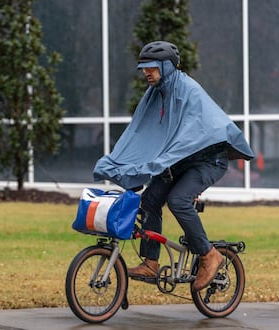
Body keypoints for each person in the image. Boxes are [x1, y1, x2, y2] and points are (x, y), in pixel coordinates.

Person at [93, 41, 254, 291]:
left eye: (151, 67)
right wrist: (117, 162)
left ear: (166, 67)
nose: (146, 72)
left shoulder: (189, 90)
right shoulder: (154, 94)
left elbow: (188, 137)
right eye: (143, 68)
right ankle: (151, 262)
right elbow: (138, 133)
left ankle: (210, 255)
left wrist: (156, 164)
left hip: (208, 159)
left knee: (178, 200)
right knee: (149, 201)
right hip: (179, 161)